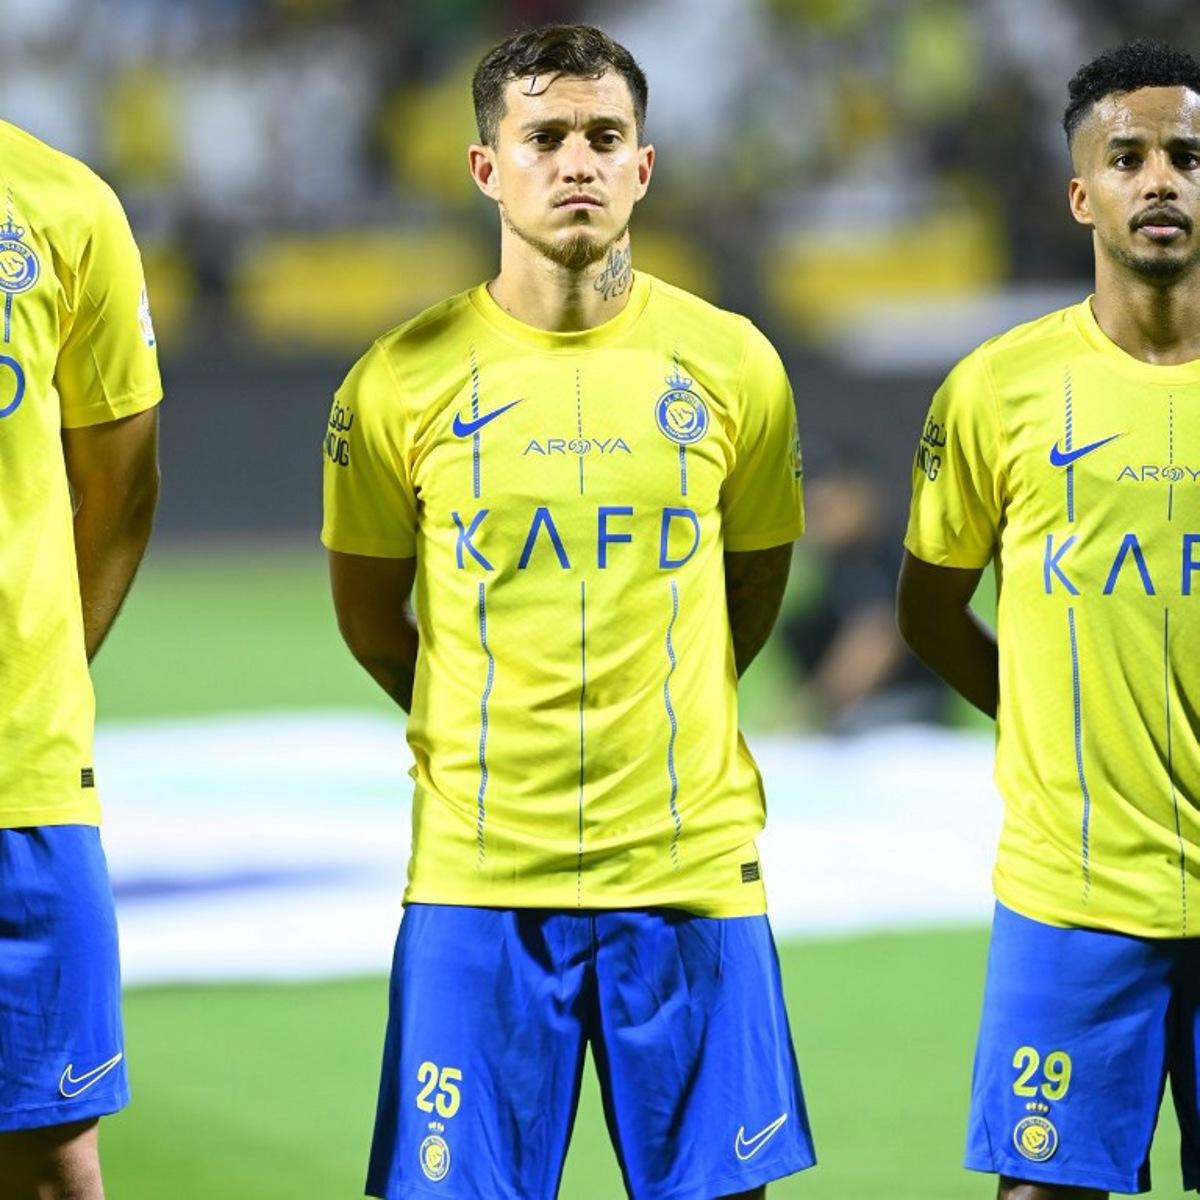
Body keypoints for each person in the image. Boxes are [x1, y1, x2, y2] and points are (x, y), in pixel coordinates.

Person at [323, 23, 813, 1200]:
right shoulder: (398, 380)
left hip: (690, 874)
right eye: (544, 137)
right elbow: (369, 615)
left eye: (605, 136)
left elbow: (749, 593)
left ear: (645, 166)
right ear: (488, 167)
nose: (577, 161)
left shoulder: (736, 365)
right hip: (478, 885)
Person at [898, 39, 1200, 1200]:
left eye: (1187, 154)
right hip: (1070, 896)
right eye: (1128, 156)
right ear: (1084, 193)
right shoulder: (995, 391)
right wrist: (1041, 723)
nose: (1161, 178)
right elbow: (930, 614)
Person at [0, 123, 161, 1197]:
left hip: (21, 768)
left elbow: (122, 482)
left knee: (55, 1161)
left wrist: (51, 664)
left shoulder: (62, 204)